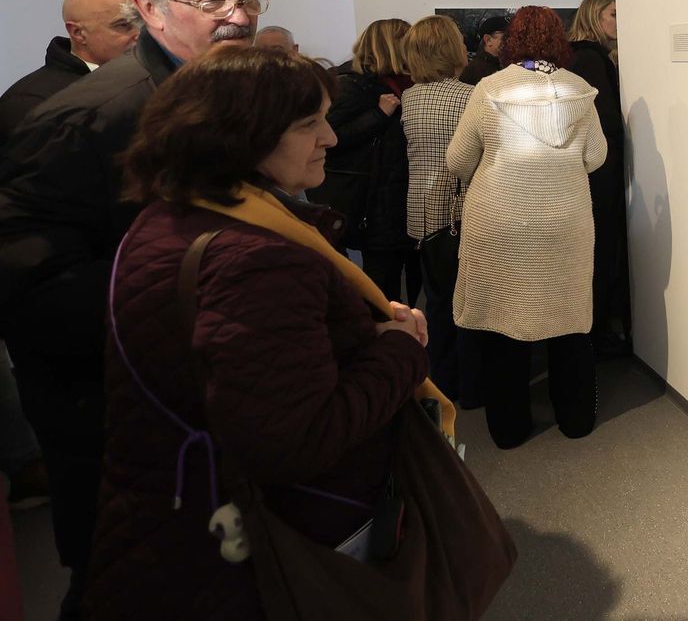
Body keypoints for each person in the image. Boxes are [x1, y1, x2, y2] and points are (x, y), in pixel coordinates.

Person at [85, 46, 441, 621]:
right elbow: (298, 440)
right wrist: (401, 350)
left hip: (168, 514)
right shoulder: (255, 256)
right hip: (266, 543)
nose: (328, 137)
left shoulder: (168, 217)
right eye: (308, 124)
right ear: (237, 135)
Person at [0, 0, 263, 619]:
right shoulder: (93, 117)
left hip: (204, 412)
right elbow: (30, 289)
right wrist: (192, 304)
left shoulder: (220, 93)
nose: (238, 15)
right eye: (212, 0)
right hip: (120, 423)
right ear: (148, 9)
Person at [447, 6, 606, 448]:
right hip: (565, 224)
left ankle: (510, 430)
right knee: (570, 324)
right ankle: (576, 421)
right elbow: (596, 156)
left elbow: (457, 161)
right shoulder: (579, 91)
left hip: (502, 222)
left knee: (506, 325)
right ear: (560, 39)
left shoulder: (489, 90)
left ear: (512, 41)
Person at [399, 16, 474, 400]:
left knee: (438, 301)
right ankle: (468, 384)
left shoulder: (410, 97)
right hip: (460, 213)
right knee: (467, 305)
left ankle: (443, 379)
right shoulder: (471, 96)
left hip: (421, 213)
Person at [320, 19, 417, 304]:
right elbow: (328, 138)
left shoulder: (398, 82)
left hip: (388, 197)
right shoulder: (350, 85)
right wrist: (377, 116)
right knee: (380, 289)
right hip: (370, 201)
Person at [566, 0, 630, 357]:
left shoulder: (582, 57)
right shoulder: (591, 59)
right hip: (599, 175)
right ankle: (597, 335)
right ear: (595, 17)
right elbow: (602, 123)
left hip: (589, 174)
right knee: (602, 253)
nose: (620, 20)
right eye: (614, 13)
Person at [0, 0, 138, 143]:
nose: (139, 34)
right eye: (123, 25)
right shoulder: (30, 102)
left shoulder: (143, 80)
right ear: (78, 33)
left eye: (140, 22)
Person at [460, 14, 508, 86]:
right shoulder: (476, 71)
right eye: (506, 36)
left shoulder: (503, 65)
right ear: (488, 40)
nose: (513, 41)